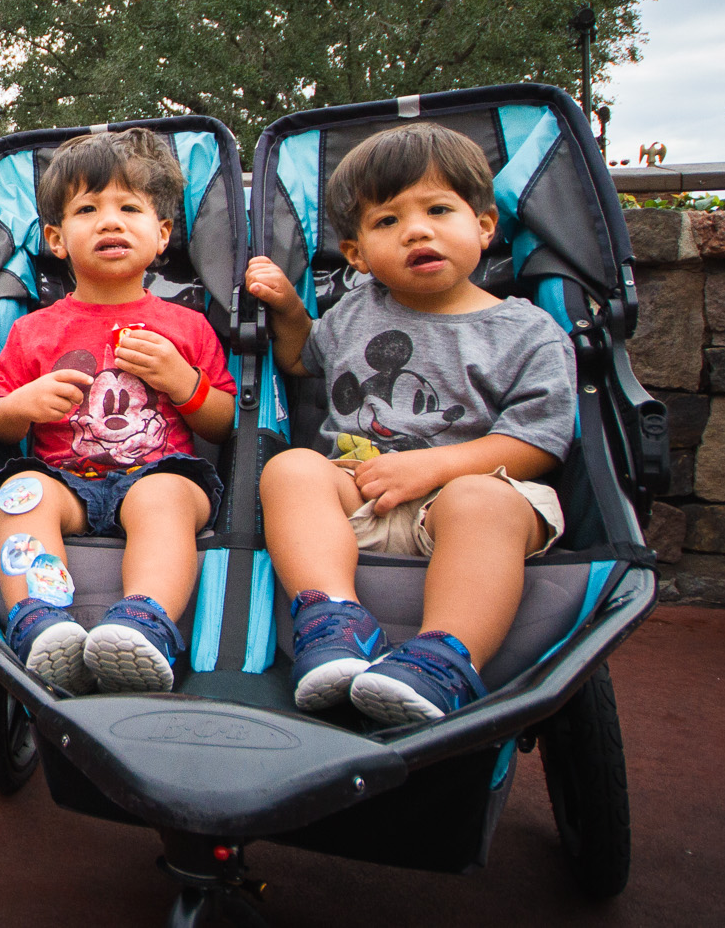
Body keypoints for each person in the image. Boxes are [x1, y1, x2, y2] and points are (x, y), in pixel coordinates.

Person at [244, 121, 575, 724]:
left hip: (468, 501)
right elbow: (300, 358)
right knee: (292, 468)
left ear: (484, 225)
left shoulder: (527, 331)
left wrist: (435, 467)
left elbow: (540, 442)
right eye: (387, 221)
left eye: (439, 209)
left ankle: (444, 658)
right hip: (362, 494)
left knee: (483, 500)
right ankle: (333, 620)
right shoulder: (353, 313)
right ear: (358, 255)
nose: (416, 229)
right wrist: (291, 308)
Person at [0, 129, 234, 694]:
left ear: (163, 234)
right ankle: (40, 621)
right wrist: (22, 405)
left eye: (130, 207)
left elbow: (223, 424)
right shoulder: (32, 330)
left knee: (161, 495)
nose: (110, 221)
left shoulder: (186, 326)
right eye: (88, 208)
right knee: (20, 491)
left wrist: (183, 382)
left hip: (165, 474)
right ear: (56, 238)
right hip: (67, 482)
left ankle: (143, 621)